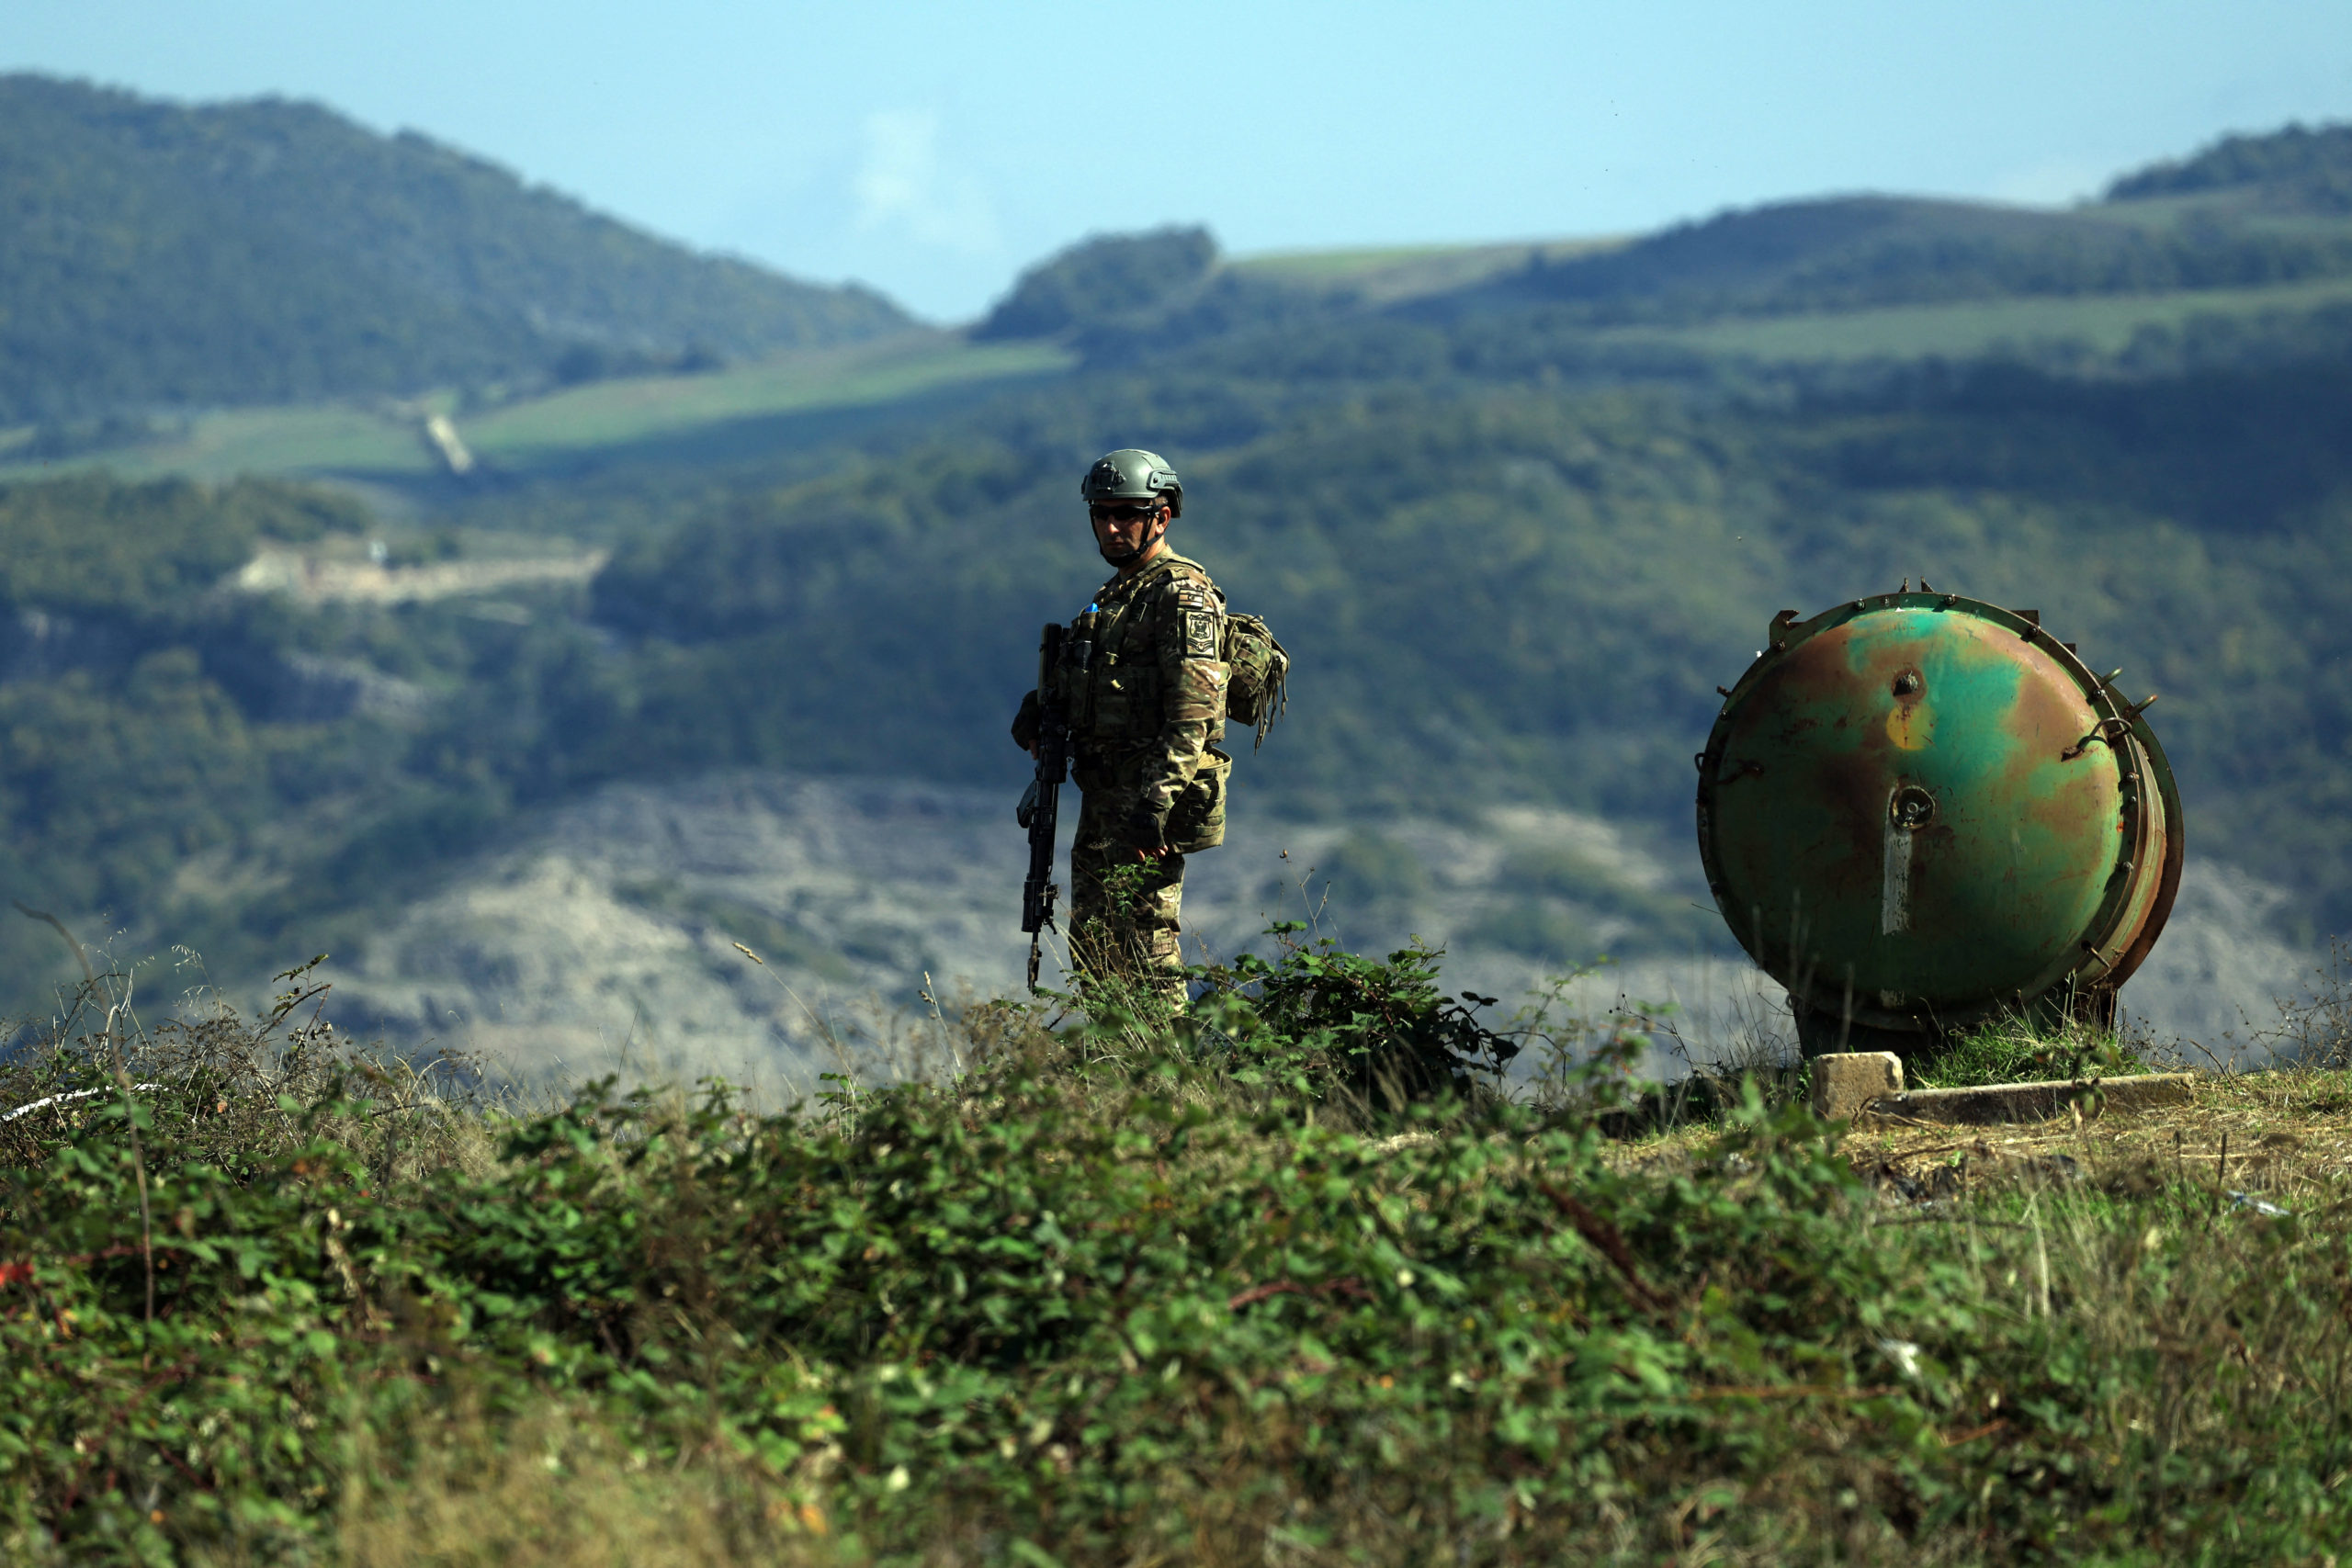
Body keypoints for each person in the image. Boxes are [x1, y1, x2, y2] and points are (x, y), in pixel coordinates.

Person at [1012, 449, 1233, 1007]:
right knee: (1096, 950)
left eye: (1127, 514)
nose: (1111, 527)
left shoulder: (1180, 595)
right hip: (1105, 796)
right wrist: (1042, 705)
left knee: (1145, 948)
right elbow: (1107, 681)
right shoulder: (1119, 596)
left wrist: (1155, 807)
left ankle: (1172, 1081)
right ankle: (1124, 1069)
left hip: (1145, 806)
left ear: (1161, 516)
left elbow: (1195, 715)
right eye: (1101, 514)